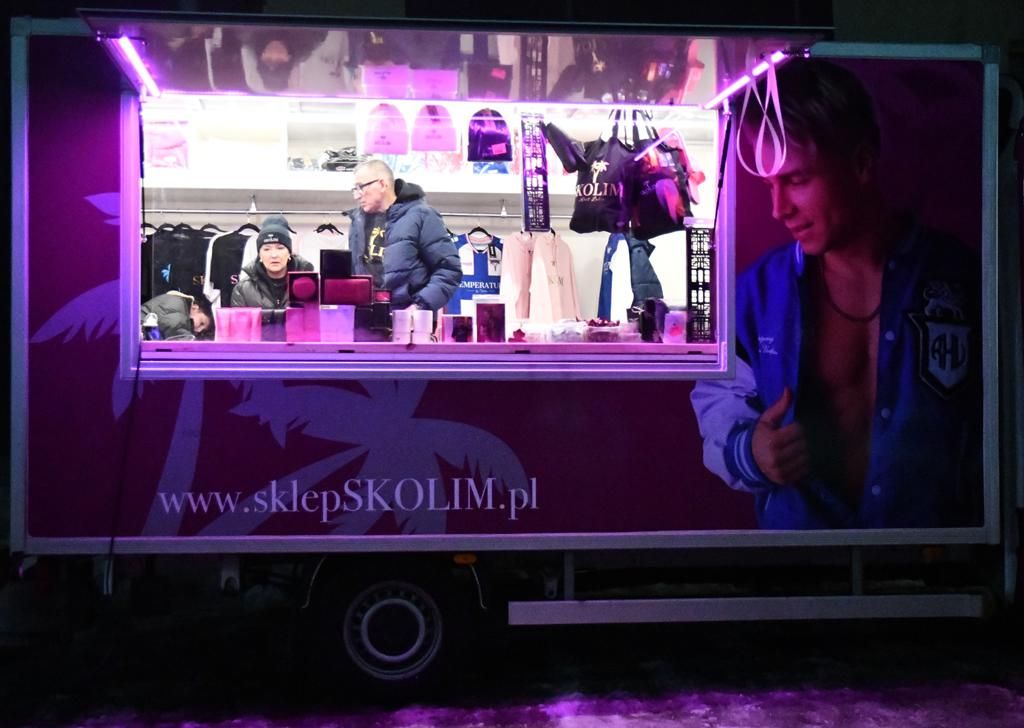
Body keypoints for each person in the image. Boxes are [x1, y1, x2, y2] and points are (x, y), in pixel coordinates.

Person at [690, 58, 981, 529]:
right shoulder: (758, 294)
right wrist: (752, 452)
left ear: (861, 163)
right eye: (769, 184)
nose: (779, 208)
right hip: (805, 563)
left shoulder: (959, 277)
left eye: (796, 180)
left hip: (932, 561)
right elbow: (717, 403)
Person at [346, 159, 461, 311]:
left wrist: (420, 307)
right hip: (365, 318)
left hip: (411, 320)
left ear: (382, 184)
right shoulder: (358, 222)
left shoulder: (422, 216)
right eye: (354, 189)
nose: (356, 196)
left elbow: (448, 270)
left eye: (360, 187)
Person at [230, 214, 315, 309]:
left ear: (289, 253)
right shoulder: (243, 289)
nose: (274, 255)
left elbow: (315, 316)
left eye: (280, 248)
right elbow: (239, 318)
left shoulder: (309, 285)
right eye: (267, 249)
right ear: (259, 255)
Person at [141, 291, 213, 341]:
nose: (199, 330)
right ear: (195, 308)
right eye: (201, 323)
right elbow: (174, 328)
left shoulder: (179, 305)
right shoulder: (178, 305)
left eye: (202, 330)